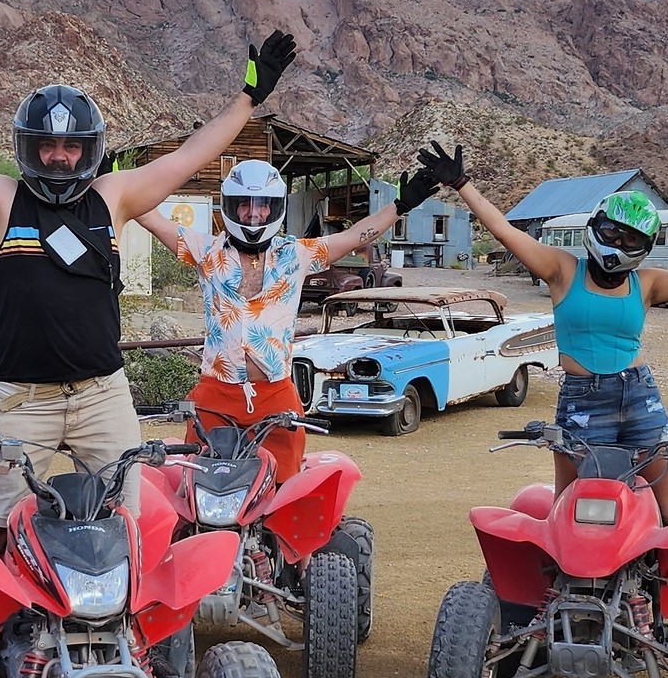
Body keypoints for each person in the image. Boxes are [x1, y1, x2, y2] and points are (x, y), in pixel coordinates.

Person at [0, 20, 300, 548]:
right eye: (47, 146)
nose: (59, 157)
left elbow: (192, 155)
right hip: (24, 402)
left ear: (88, 150)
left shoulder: (113, 196)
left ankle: (126, 632)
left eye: (70, 146)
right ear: (28, 147)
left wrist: (250, 95)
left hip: (102, 395)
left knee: (129, 528)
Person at [420, 144, 668, 520]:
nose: (618, 241)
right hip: (582, 397)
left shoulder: (647, 283)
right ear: (597, 226)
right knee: (567, 508)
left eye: (631, 237)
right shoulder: (562, 270)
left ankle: (660, 594)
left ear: (645, 245)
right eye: (613, 230)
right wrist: (462, 184)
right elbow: (506, 231)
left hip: (638, 395)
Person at [134, 156, 440, 479]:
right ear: (231, 207)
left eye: (264, 204)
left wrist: (401, 205)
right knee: (198, 484)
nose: (255, 212)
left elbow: (355, 236)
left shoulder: (296, 254)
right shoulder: (205, 250)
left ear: (275, 208)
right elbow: (151, 218)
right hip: (216, 394)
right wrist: (113, 181)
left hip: (275, 393)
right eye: (245, 204)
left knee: (284, 492)